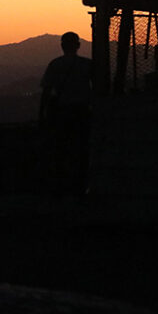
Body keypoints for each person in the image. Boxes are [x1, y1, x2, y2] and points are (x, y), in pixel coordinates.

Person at [39, 31, 92, 195]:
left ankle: (61, 185)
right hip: (83, 112)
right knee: (82, 149)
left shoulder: (55, 65)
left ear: (62, 46)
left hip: (62, 113)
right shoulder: (87, 65)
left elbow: (46, 91)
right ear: (78, 45)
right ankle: (81, 184)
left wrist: (42, 114)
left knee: (61, 149)